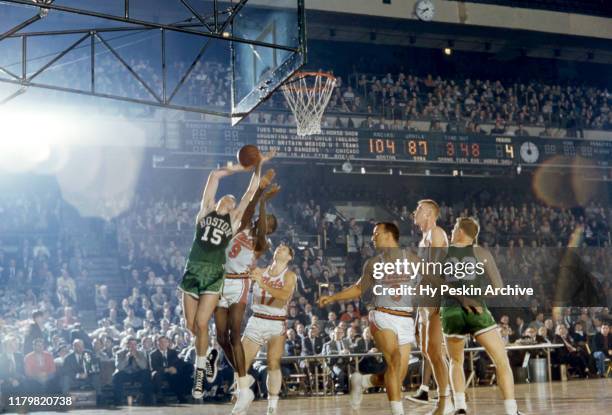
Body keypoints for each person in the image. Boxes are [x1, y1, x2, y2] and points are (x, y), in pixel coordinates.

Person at [179, 151, 274, 399]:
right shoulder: (204, 212)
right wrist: (239, 167)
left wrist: (258, 166)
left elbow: (249, 194)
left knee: (202, 324)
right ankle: (209, 355)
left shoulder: (232, 223)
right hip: (192, 270)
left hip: (213, 274)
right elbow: (214, 176)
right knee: (192, 326)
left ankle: (200, 376)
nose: (230, 202)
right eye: (227, 200)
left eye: (233, 203)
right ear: (219, 201)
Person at [320, 222, 418, 415]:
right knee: (394, 361)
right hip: (382, 315)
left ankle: (364, 381)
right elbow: (358, 288)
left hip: (406, 318)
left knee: (398, 376)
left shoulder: (413, 260)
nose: (372, 238)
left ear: (389, 235)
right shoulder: (373, 263)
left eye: (376, 234)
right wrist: (333, 297)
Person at [440, 217, 523, 415]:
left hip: (451, 312)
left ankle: (460, 407)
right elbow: (498, 288)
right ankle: (511, 411)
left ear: (460, 231)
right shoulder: (480, 252)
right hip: (477, 311)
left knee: (455, 361)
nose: (451, 231)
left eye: (454, 228)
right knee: (501, 360)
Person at [215, 174, 279, 407]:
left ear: (269, 230)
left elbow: (260, 224)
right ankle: (245, 376)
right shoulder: (242, 226)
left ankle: (242, 383)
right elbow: (249, 208)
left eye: (269, 223)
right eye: (266, 220)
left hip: (240, 284)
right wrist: (259, 192)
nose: (264, 222)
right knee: (220, 337)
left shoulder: (263, 243)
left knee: (233, 334)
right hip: (222, 280)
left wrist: (264, 202)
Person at [232, 245, 296, 415]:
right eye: (278, 248)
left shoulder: (290, 276)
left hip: (276, 322)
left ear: (290, 257)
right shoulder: (260, 270)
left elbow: (283, 296)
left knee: (272, 363)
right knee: (240, 364)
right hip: (257, 319)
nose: (279, 249)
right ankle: (244, 394)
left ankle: (272, 404)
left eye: (284, 249)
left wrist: (262, 283)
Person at [410, 199, 452, 415]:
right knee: (427, 350)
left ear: (428, 214)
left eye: (418, 210)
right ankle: (447, 396)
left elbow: (434, 270)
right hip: (425, 299)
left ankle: (446, 401)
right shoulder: (424, 238)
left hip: (436, 297)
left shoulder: (436, 233)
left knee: (435, 350)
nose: (414, 213)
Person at [112, 336, 153, 406]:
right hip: (125, 374)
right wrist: (127, 357)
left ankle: (147, 400)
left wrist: (136, 357)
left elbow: (144, 366)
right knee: (116, 375)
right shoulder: (120, 353)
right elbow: (119, 367)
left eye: (134, 344)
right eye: (131, 344)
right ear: (127, 345)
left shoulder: (140, 353)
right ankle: (118, 401)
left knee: (146, 373)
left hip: (136, 374)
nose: (133, 346)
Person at [149, 335, 188, 404]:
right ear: (157, 344)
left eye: (165, 342)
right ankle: (160, 397)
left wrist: (175, 368)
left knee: (179, 373)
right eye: (161, 342)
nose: (163, 344)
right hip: (160, 372)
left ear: (168, 343)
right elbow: (154, 367)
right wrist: (166, 369)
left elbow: (177, 363)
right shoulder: (153, 354)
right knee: (156, 374)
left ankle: (180, 396)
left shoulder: (173, 352)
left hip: (171, 372)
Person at [0, 336, 25, 405]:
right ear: (5, 346)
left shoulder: (19, 356)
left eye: (15, 344)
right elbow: (2, 373)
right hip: (6, 382)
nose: (14, 346)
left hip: (19, 381)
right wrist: (11, 380)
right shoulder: (1, 358)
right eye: (11, 344)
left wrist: (17, 379)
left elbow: (22, 371)